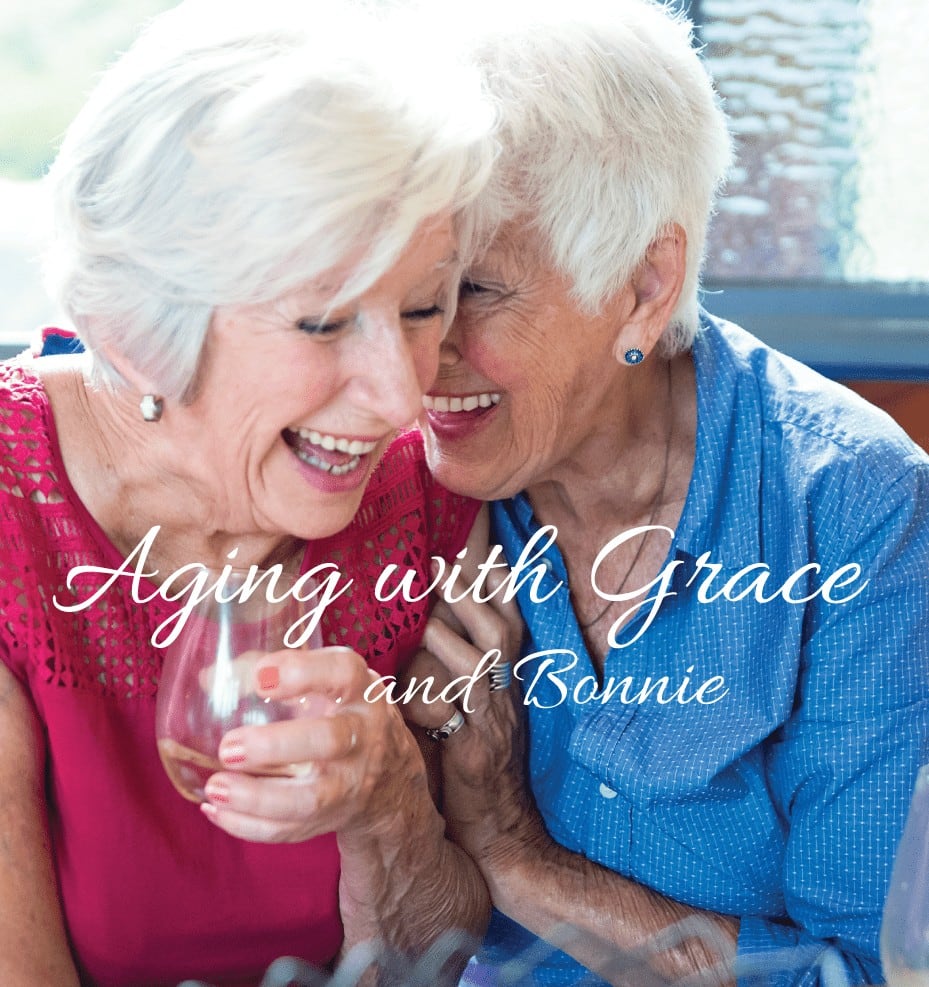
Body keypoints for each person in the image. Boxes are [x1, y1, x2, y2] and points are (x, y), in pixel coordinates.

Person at [402, 0, 929, 984]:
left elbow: (862, 970)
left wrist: (514, 854)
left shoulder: (855, 510)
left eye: (475, 291)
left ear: (644, 284)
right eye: (406, 291)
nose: (418, 354)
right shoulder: (384, 485)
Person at [0, 2, 497, 984]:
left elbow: (441, 958)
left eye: (421, 305)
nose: (404, 394)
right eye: (321, 323)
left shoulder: (431, 499)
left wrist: (391, 806)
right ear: (136, 325)